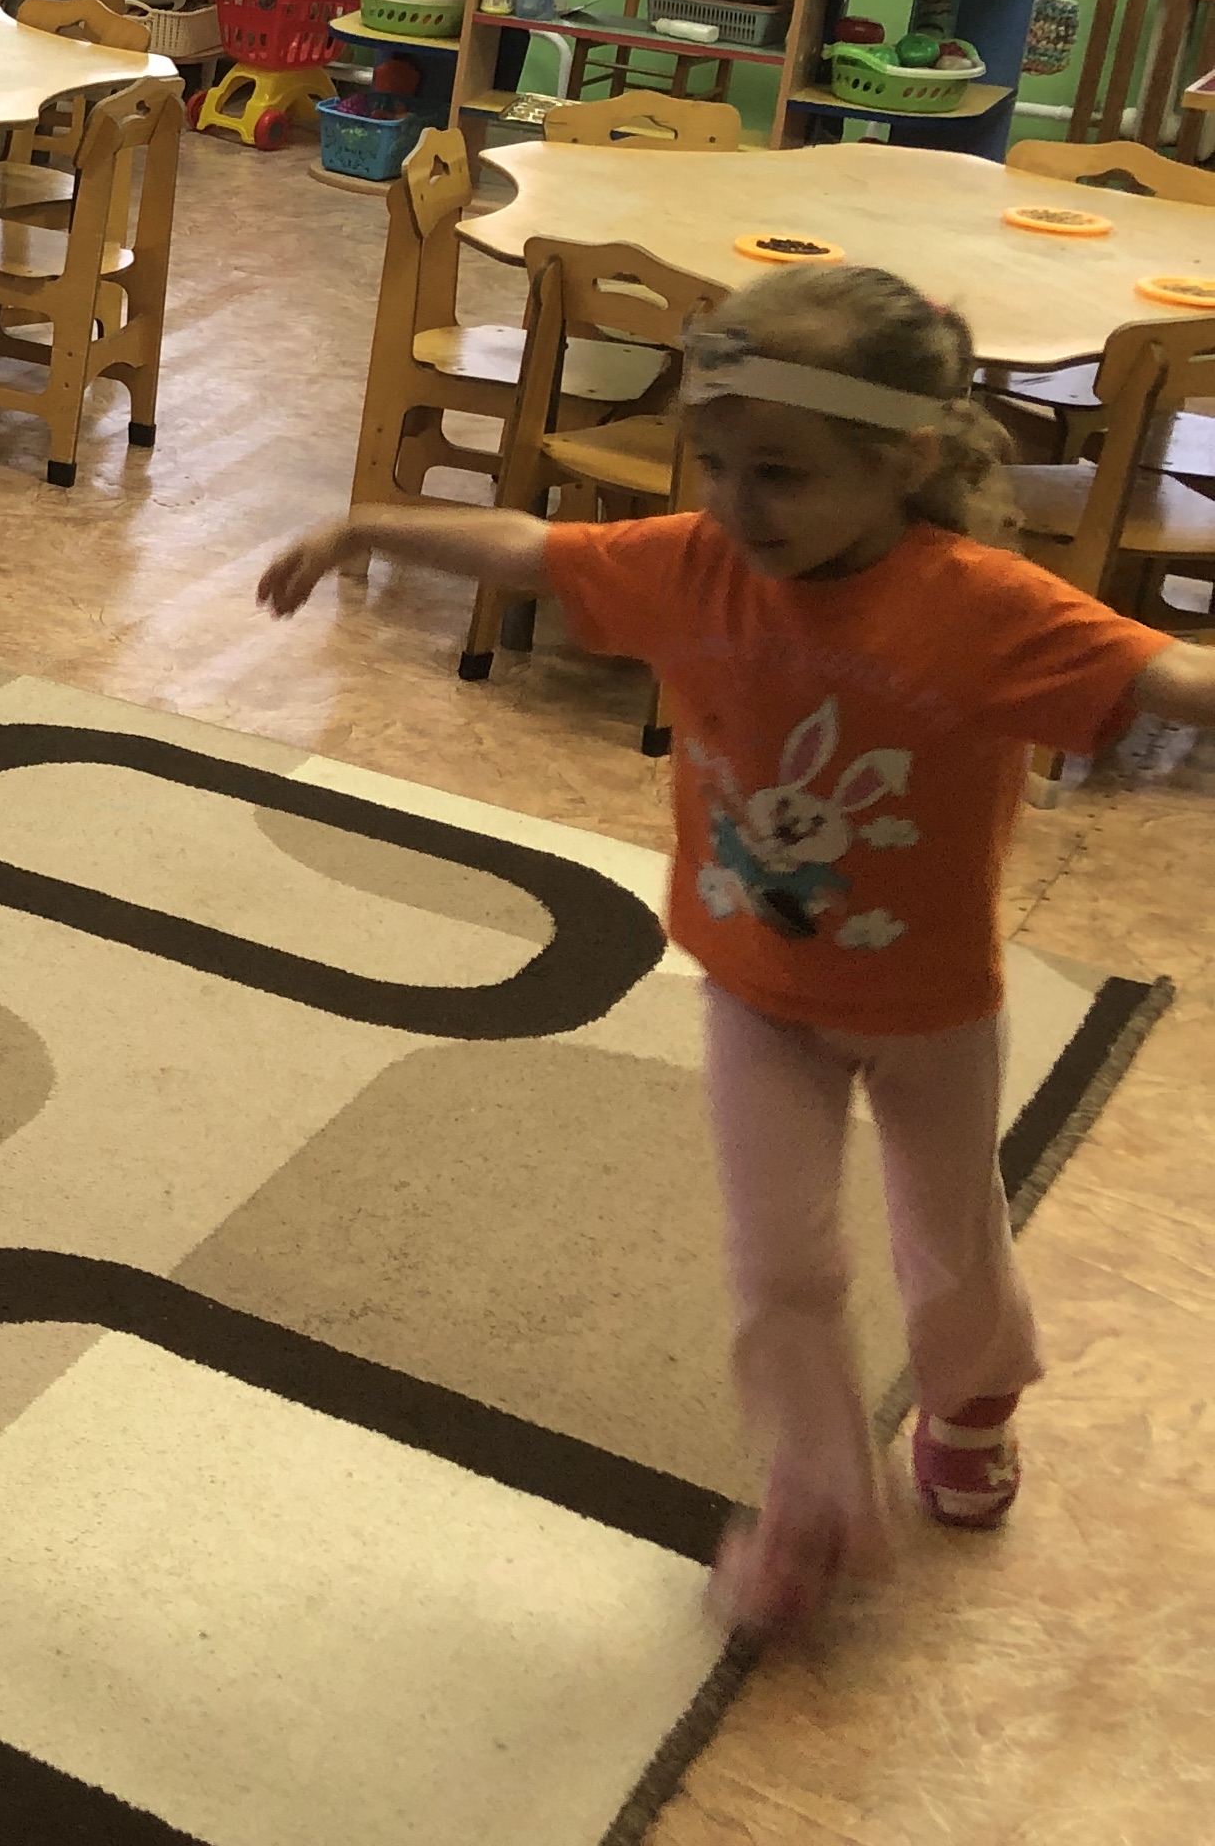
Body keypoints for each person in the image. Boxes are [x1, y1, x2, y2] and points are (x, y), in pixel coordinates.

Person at [255, 261, 1215, 1632]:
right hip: (757, 994)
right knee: (781, 1266)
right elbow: (534, 548)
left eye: (781, 475)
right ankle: (815, 1510)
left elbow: (1167, 678)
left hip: (931, 1006)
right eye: (717, 466)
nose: (738, 504)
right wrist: (361, 526)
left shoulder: (985, 607)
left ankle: (975, 1393)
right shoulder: (696, 565)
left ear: (904, 464)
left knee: (948, 1238)